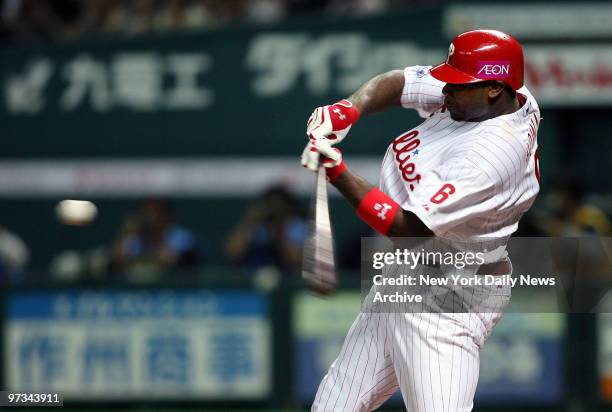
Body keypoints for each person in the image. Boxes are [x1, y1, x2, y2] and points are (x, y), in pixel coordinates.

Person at [301, 30, 541, 411]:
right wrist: (348, 108)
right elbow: (402, 83)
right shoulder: (501, 97)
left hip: (449, 297)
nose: (445, 90)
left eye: (457, 85)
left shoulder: (491, 155)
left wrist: (336, 170)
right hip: (411, 273)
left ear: (494, 88)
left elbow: (407, 227)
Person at [225, 185, 307, 274]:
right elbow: (232, 254)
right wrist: (250, 221)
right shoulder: (255, 224)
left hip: (286, 278)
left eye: (278, 205)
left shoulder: (296, 225)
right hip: (251, 276)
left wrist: (279, 228)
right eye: (270, 204)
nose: (274, 209)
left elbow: (296, 260)